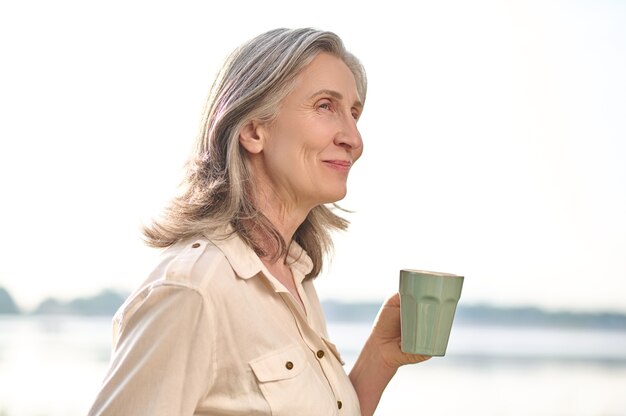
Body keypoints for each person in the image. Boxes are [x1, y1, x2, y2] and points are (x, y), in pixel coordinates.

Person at [88, 27, 429, 416]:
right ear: (253, 130)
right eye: (324, 106)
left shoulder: (292, 274)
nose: (354, 138)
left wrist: (379, 360)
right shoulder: (192, 290)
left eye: (354, 113)